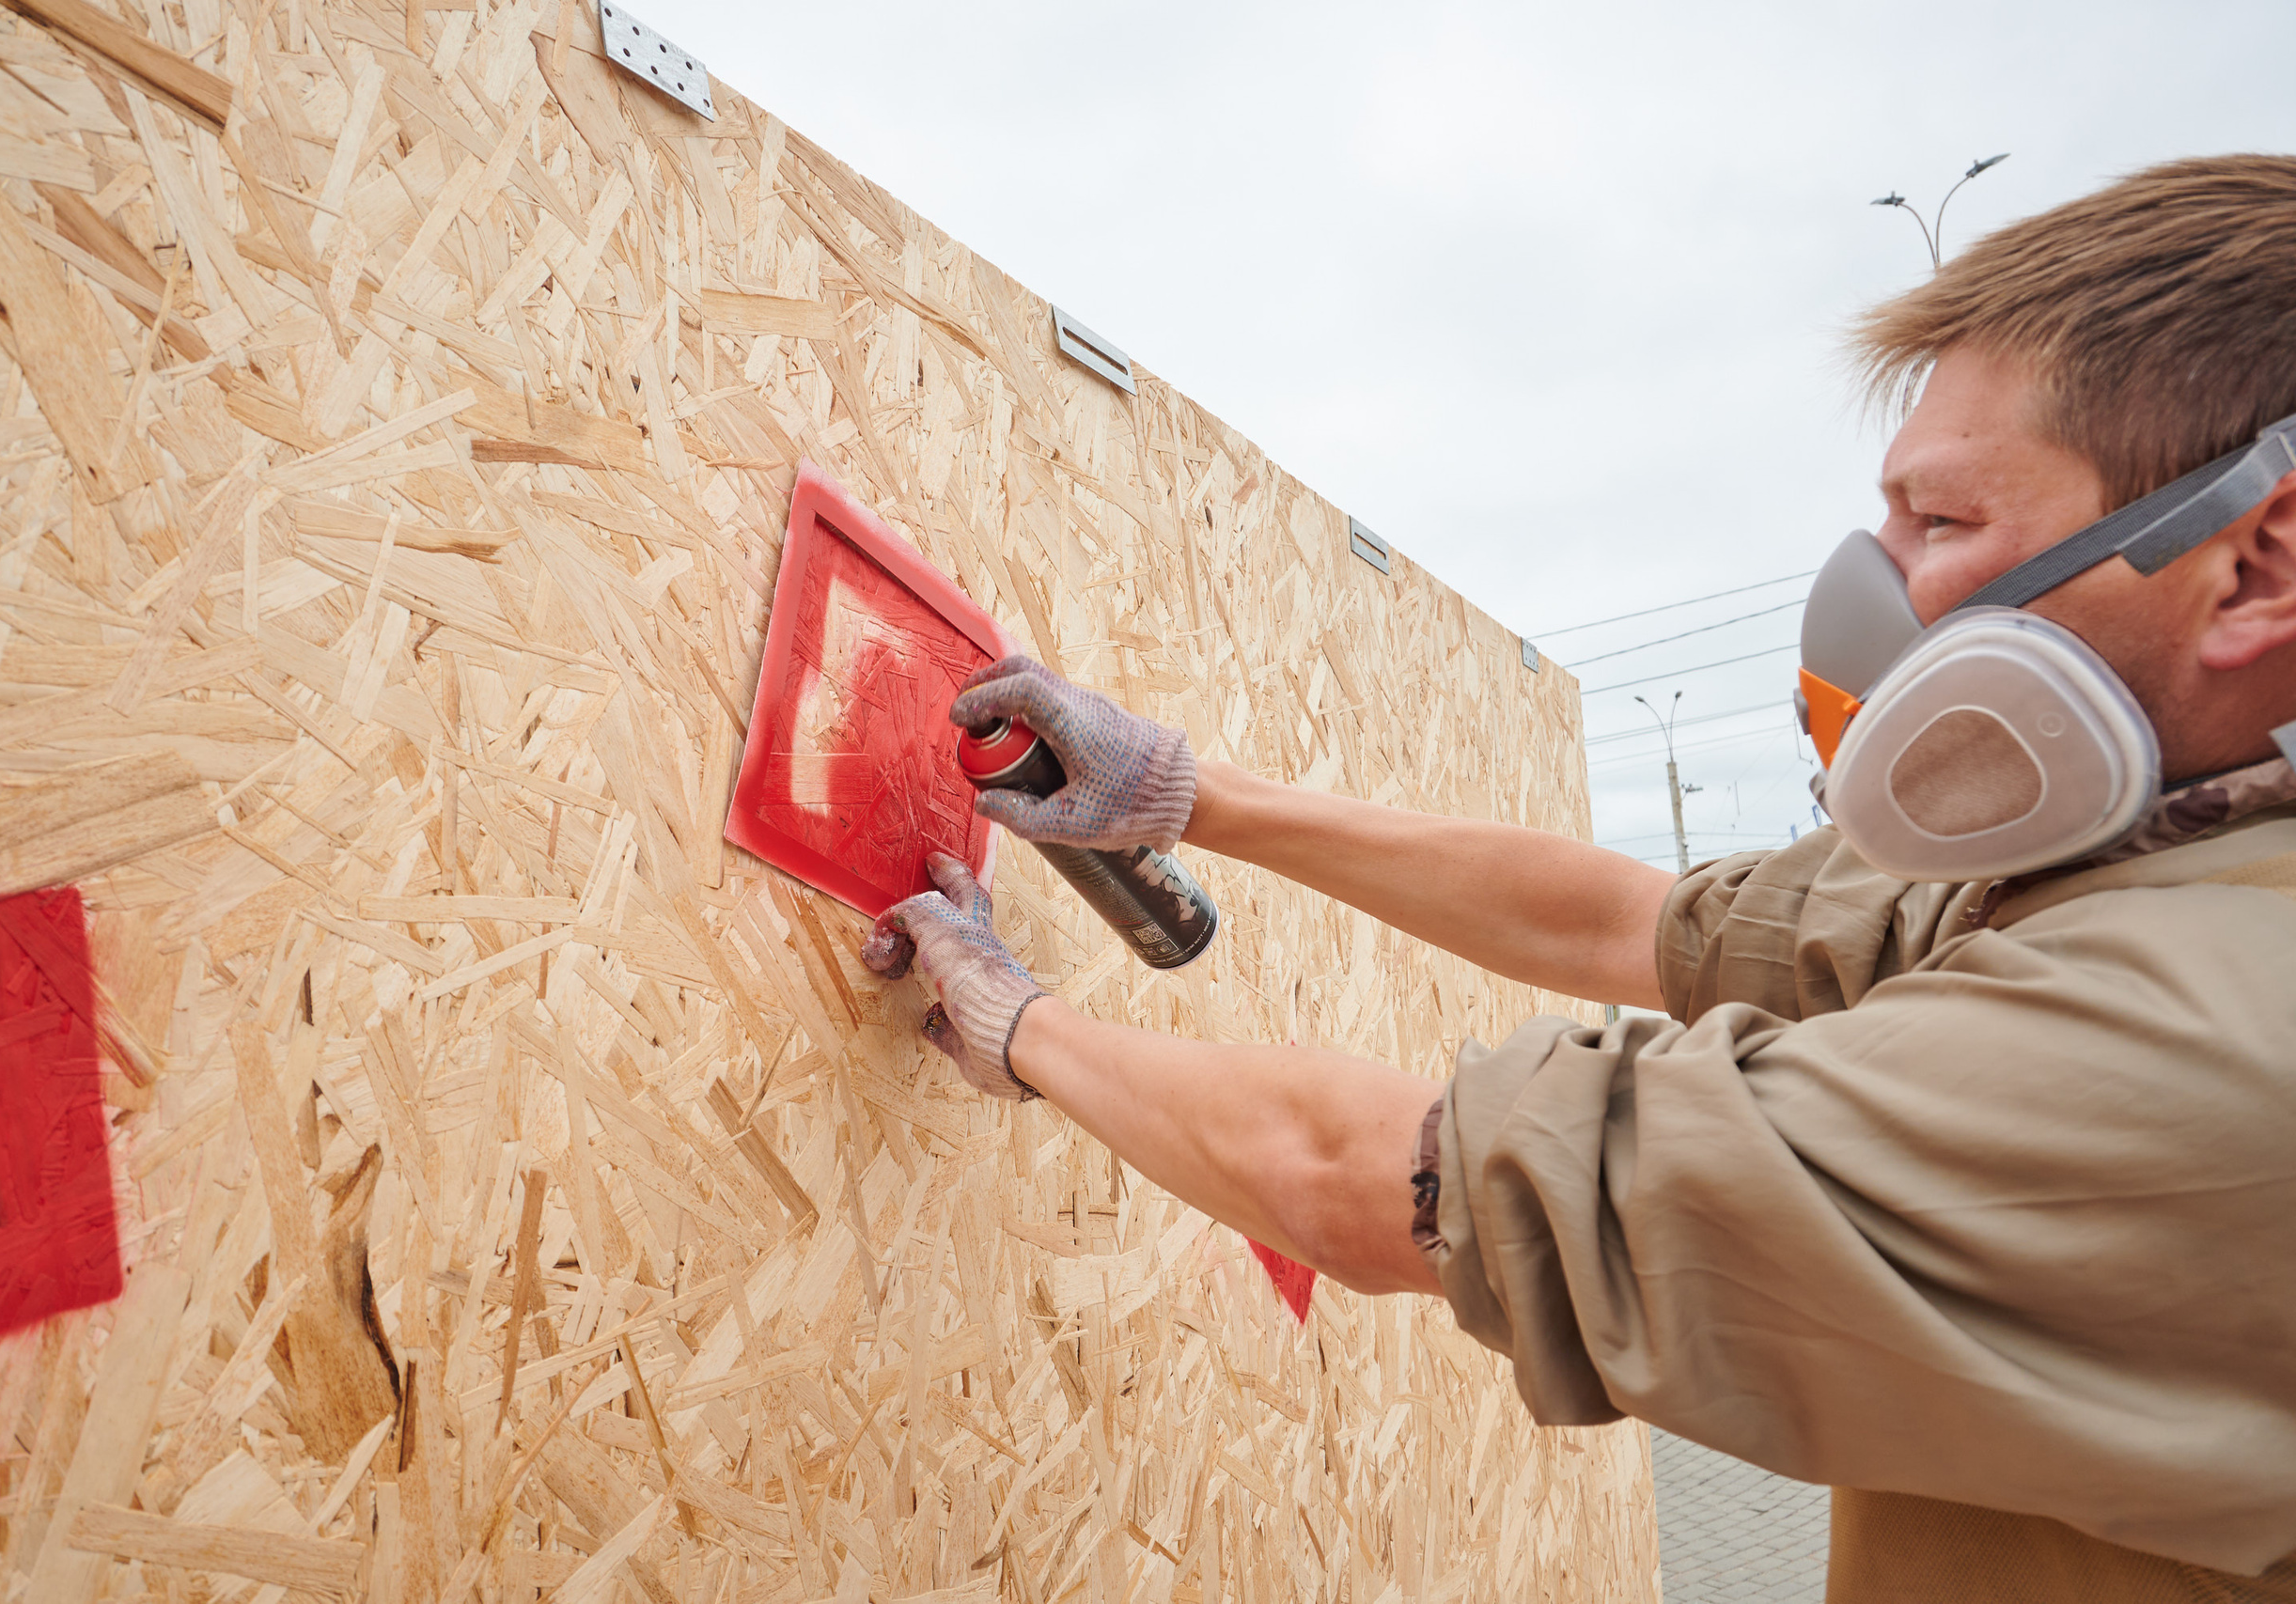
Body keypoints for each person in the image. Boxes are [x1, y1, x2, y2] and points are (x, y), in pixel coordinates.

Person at [859, 155, 2296, 1603]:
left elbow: (1381, 1185)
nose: (1888, 591)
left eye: (1947, 526)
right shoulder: (2138, 868)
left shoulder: (2202, 1038)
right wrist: (1188, 795)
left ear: (2256, 569)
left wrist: (1016, 1023)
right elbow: (1627, 920)